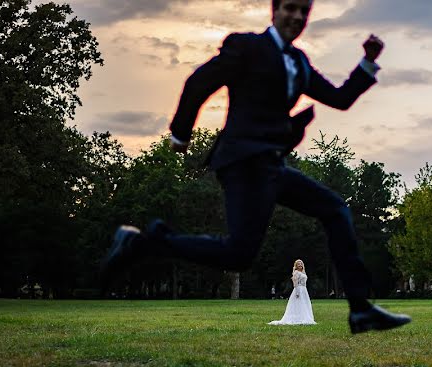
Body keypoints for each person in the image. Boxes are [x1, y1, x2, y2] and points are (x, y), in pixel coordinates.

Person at [101, 0, 411, 334]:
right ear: (274, 11)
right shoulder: (247, 47)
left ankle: (361, 309)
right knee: (241, 252)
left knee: (333, 210)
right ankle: (145, 243)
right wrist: (181, 133)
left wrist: (367, 63)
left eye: (303, 12)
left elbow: (339, 98)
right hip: (243, 162)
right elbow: (199, 82)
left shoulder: (299, 61)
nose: (296, 17)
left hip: (272, 165)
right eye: (290, 8)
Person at [269, 259, 316, 325]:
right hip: (298, 289)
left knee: (304, 303)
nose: (300, 265)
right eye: (298, 264)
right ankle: (297, 318)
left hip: (304, 290)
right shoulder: (296, 272)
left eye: (301, 263)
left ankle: (304, 316)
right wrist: (297, 292)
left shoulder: (303, 273)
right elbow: (295, 283)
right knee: (298, 303)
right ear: (296, 266)